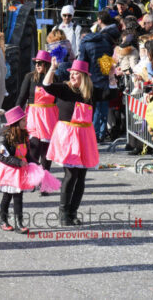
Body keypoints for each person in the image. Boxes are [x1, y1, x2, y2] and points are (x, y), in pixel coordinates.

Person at [43, 58, 98, 226]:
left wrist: (111, 76)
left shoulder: (89, 92)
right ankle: (63, 213)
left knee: (81, 176)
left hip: (84, 136)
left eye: (76, 74)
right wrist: (52, 68)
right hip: (67, 135)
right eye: (72, 73)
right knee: (71, 174)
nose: (73, 76)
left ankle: (73, 212)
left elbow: (110, 92)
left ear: (84, 77)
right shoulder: (65, 89)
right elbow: (46, 85)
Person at [0, 107, 58, 234]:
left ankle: (19, 222)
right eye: (23, 120)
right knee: (8, 195)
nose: (26, 122)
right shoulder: (5, 138)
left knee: (18, 196)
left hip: (20, 170)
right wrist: (18, 162)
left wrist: (36, 164)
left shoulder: (24, 135)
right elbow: (2, 156)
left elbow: (27, 154)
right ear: (16, 123)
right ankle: (3, 219)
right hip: (9, 171)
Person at [16, 50, 59, 177]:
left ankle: (45, 179)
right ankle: (33, 177)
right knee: (34, 147)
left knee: (47, 152)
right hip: (33, 116)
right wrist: (15, 117)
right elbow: (21, 97)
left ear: (47, 64)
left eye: (40, 63)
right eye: (36, 63)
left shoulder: (55, 78)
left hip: (50, 116)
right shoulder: (29, 77)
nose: (38, 65)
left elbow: (59, 98)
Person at [78, 10, 118, 142]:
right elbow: (107, 64)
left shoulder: (85, 43)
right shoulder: (106, 42)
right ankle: (101, 133)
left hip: (90, 80)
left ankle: (93, 135)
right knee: (103, 107)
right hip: (103, 78)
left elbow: (82, 63)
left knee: (92, 108)